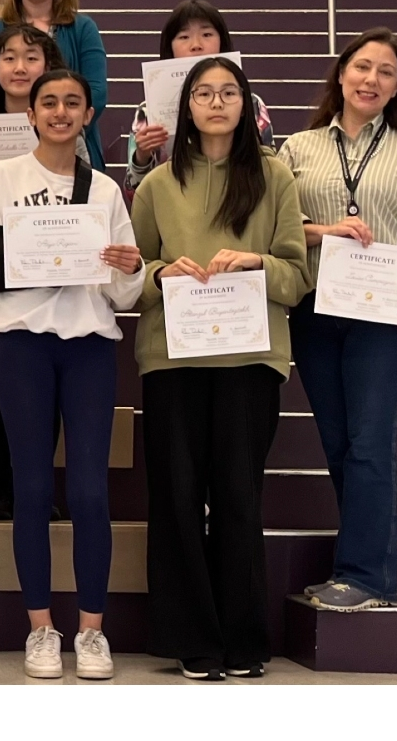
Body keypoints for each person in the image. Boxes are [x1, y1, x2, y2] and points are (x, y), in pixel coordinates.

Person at [131, 57, 312, 680]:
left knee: (238, 497)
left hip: (249, 359)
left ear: (245, 103)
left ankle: (242, 640)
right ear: (186, 107)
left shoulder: (274, 175)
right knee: (178, 498)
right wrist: (162, 273)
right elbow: (131, 272)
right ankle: (192, 639)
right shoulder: (156, 183)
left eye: (227, 92)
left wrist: (258, 262)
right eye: (203, 93)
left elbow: (297, 273)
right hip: (172, 360)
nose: (215, 102)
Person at [0, 69, 144, 680]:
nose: (61, 112)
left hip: (90, 345)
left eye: (73, 102)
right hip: (22, 344)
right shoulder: (0, 178)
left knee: (91, 491)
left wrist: (128, 266)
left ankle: (92, 632)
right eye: (49, 103)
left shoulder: (106, 191)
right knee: (33, 490)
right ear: (32, 115)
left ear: (90, 114)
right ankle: (41, 628)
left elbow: (123, 292)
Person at [278, 28, 397, 613]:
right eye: (361, 66)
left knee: (370, 441)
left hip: (388, 314)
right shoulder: (299, 147)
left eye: (385, 71)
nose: (370, 79)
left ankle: (367, 576)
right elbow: (272, 228)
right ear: (340, 74)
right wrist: (324, 230)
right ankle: (363, 570)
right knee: (339, 441)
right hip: (316, 309)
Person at [0, 25, 67, 521]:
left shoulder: (63, 124)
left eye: (31, 56)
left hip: (46, 277)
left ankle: (37, 488)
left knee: (43, 393)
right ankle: (5, 488)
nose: (19, 66)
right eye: (9, 57)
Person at [0, 0, 108, 172]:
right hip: (4, 152)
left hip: (70, 147)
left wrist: (57, 128)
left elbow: (97, 93)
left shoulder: (83, 28)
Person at [124, 0, 274, 198]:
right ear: (170, 47)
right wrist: (142, 157)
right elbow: (135, 195)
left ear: (223, 42)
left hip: (238, 204)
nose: (196, 45)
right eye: (184, 36)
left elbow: (271, 175)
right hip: (174, 211)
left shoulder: (250, 104)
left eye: (207, 34)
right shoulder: (148, 111)